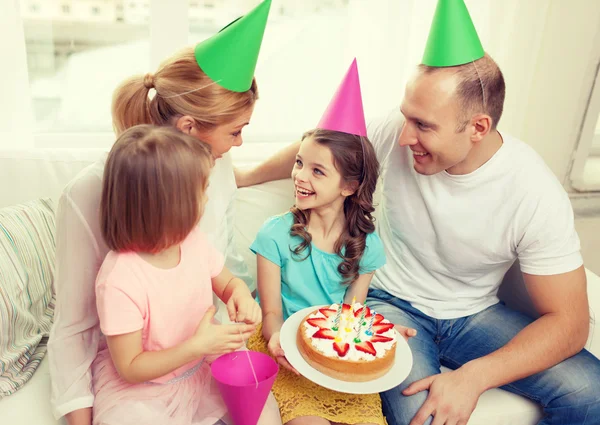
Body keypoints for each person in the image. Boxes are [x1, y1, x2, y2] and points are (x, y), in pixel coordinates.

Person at [236, 1, 600, 424]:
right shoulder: (397, 129)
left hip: (474, 315)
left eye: (424, 126)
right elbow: (326, 148)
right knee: (423, 418)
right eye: (406, 117)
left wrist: (474, 376)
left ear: (478, 128)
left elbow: (570, 324)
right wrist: (246, 177)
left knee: (591, 394)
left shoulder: (533, 192)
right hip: (387, 303)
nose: (405, 136)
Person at [48, 2, 274, 424]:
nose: (240, 144)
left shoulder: (217, 166)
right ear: (189, 129)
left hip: (200, 359)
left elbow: (220, 272)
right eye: (236, 132)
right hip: (142, 373)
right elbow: (74, 330)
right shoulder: (88, 196)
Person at [92, 124, 279, 425]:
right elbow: (130, 366)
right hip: (144, 390)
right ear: (170, 205)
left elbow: (228, 283)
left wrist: (241, 296)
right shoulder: (119, 279)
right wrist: (196, 346)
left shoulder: (192, 241)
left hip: (202, 369)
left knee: (263, 413)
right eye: (202, 191)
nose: (207, 200)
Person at [248, 60, 389, 425]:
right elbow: (271, 313)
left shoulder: (365, 246)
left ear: (349, 186)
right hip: (285, 351)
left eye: (317, 170)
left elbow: (350, 317)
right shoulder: (274, 235)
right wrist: (279, 339)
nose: (299, 176)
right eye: (299, 163)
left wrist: (382, 333)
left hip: (334, 357)